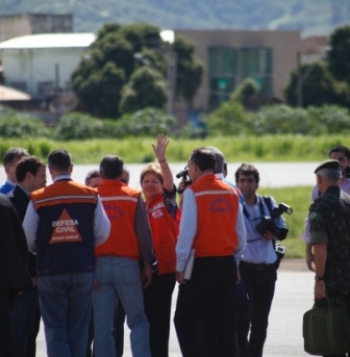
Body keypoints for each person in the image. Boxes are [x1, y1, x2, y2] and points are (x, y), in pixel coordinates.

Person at [22, 149, 110, 357]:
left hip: (50, 270)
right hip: (83, 268)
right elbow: (103, 232)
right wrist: (84, 246)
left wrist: (44, 249)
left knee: (55, 328)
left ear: (51, 170)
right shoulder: (90, 195)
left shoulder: (38, 198)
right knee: (79, 328)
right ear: (71, 168)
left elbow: (27, 237)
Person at [174, 147, 246, 357]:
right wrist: (235, 263)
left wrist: (180, 265)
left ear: (195, 167)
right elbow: (240, 235)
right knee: (224, 323)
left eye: (189, 167)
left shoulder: (193, 192)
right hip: (226, 263)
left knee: (185, 319)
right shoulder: (232, 191)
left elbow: (187, 233)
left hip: (201, 263)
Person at [93, 154, 154, 357]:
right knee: (137, 321)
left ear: (101, 174)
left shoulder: (92, 195)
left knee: (103, 325)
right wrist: (147, 263)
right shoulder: (133, 195)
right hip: (128, 265)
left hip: (99, 265)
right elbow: (143, 233)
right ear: (122, 174)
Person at [234, 163, 288, 357]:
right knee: (242, 318)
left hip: (266, 270)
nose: (246, 184)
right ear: (236, 183)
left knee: (260, 321)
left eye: (250, 180)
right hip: (244, 269)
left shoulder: (267, 202)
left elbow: (283, 230)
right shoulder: (234, 205)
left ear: (257, 183)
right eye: (242, 180)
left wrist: (273, 233)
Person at [140, 134, 180, 357]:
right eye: (145, 181)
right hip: (145, 270)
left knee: (160, 320)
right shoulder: (141, 207)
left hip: (164, 269)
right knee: (145, 319)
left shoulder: (165, 203)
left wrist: (162, 161)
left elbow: (168, 184)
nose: (150, 184)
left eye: (154, 181)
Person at [309, 160, 350, 357]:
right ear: (340, 178)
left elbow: (321, 245)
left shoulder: (320, 205)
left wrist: (320, 280)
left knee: (332, 338)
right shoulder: (348, 202)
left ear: (319, 179)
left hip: (334, 281)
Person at [8, 156, 46, 357]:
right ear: (28, 176)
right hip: (24, 283)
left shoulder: (32, 201)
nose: (45, 182)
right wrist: (25, 279)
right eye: (42, 176)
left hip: (32, 280)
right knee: (20, 333)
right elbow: (14, 247)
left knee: (30, 332)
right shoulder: (14, 203)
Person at [303, 145, 350, 271]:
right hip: (329, 248)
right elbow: (312, 220)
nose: (338, 164)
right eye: (334, 161)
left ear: (348, 162)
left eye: (341, 160)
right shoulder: (319, 189)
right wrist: (309, 251)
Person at [0, 193, 32, 357]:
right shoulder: (5, 201)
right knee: (5, 332)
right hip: (8, 280)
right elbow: (21, 240)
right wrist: (21, 277)